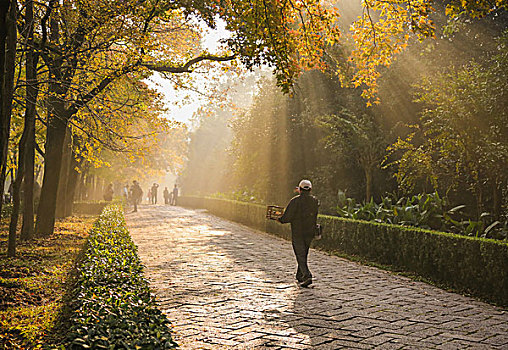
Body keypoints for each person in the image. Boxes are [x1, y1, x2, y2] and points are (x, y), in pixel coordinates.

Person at [278, 179, 319, 288]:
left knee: (300, 254)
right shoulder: (314, 201)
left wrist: (280, 219)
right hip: (309, 231)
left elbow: (288, 216)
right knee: (303, 253)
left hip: (298, 232)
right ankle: (299, 275)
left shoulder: (295, 201)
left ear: (299, 189)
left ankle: (307, 275)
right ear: (310, 189)